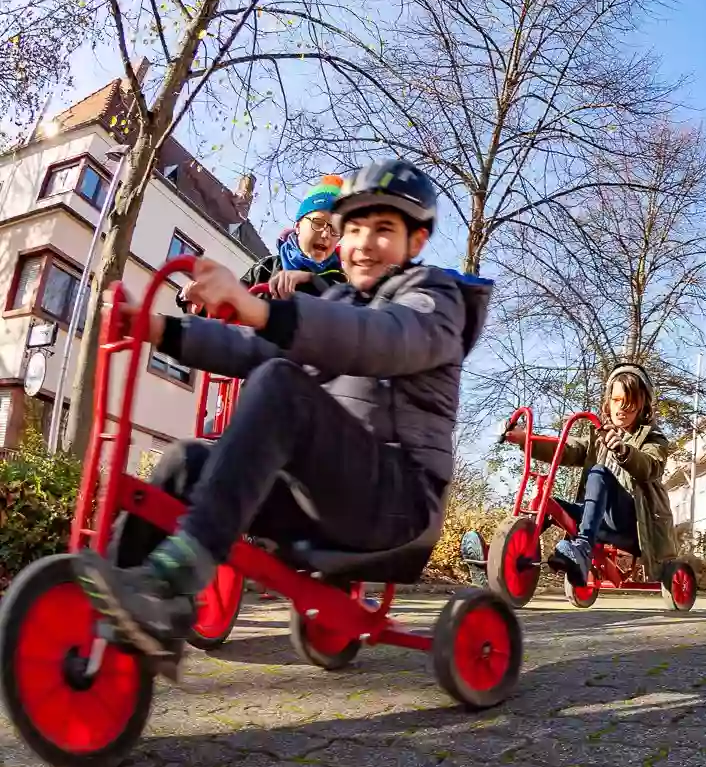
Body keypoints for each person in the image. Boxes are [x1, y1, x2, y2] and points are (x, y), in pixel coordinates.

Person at [75, 158, 489, 672]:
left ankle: (178, 573)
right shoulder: (336, 299)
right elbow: (250, 347)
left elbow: (383, 340)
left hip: (399, 503)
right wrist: (158, 328)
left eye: (383, 230)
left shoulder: (435, 299)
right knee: (187, 462)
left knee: (282, 384)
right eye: (353, 229)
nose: (363, 243)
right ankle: (122, 607)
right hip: (326, 498)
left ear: (417, 241)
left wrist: (266, 311)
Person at [496, 364, 677, 588]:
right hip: (598, 520)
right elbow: (567, 448)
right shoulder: (599, 437)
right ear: (608, 401)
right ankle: (504, 558)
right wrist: (526, 439)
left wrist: (624, 450)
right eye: (617, 400)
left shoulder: (654, 439)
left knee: (599, 472)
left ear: (642, 406)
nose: (622, 409)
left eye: (630, 404)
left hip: (634, 527)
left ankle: (582, 548)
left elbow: (650, 466)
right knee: (549, 504)